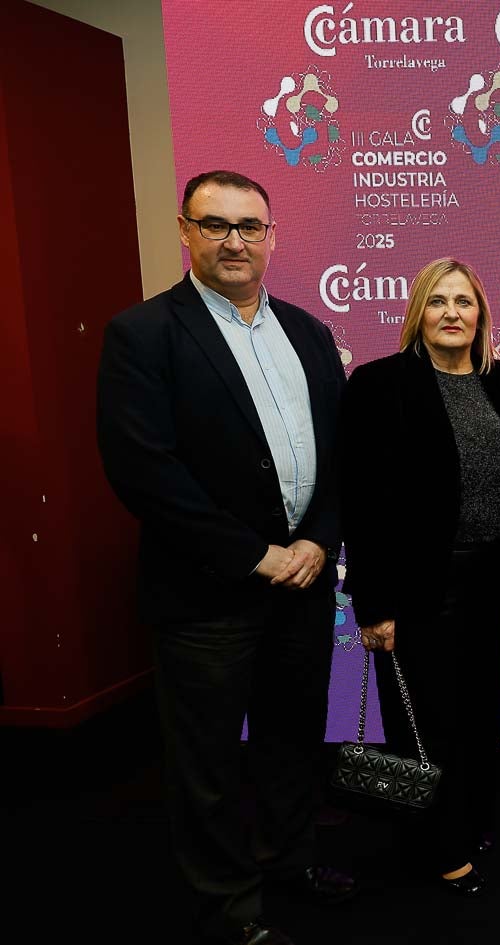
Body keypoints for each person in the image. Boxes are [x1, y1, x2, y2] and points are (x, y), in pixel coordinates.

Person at [96, 170, 355, 945]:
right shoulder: (142, 334)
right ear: (185, 230)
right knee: (207, 758)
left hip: (303, 582)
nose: (234, 240)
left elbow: (341, 457)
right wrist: (255, 556)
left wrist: (315, 541)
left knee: (291, 738)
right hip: (207, 593)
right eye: (217, 225)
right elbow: (143, 470)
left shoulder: (307, 331)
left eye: (250, 226)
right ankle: (226, 900)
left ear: (272, 236)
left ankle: (290, 859)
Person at [337, 258, 500, 896]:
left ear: (482, 314)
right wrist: (372, 606)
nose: (452, 312)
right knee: (424, 722)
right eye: (437, 302)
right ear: (417, 315)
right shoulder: (378, 385)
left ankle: (468, 818)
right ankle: (438, 844)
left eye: (464, 301)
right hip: (414, 589)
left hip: (489, 581)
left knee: (482, 714)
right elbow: (361, 502)